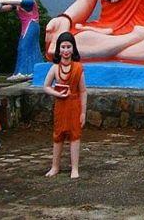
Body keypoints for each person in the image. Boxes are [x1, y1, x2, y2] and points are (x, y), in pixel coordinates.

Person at [43, 32, 87, 179]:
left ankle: (74, 168)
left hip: (74, 104)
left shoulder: (78, 68)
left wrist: (83, 112)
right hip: (61, 105)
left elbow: (83, 91)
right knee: (58, 135)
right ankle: (55, 166)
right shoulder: (55, 68)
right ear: (58, 49)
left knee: (75, 136)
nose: (66, 50)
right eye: (63, 47)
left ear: (73, 48)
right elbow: (46, 86)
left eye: (69, 46)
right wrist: (57, 93)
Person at [0, 0, 44, 80]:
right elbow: (4, 8)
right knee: (25, 47)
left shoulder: (29, 0)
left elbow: (18, 2)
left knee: (24, 46)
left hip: (32, 25)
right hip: (26, 27)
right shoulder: (17, 4)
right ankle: (31, 71)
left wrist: (2, 1)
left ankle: (23, 72)